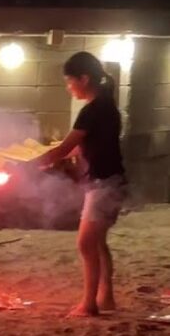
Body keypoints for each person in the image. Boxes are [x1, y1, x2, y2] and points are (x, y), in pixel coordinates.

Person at [25, 51, 127, 317]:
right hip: (110, 182)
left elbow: (66, 147)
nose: (68, 87)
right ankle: (106, 298)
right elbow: (82, 147)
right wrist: (50, 157)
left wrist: (33, 163)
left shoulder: (92, 111)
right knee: (98, 242)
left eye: (70, 81)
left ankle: (89, 304)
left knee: (85, 244)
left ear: (84, 78)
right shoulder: (107, 105)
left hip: (104, 184)